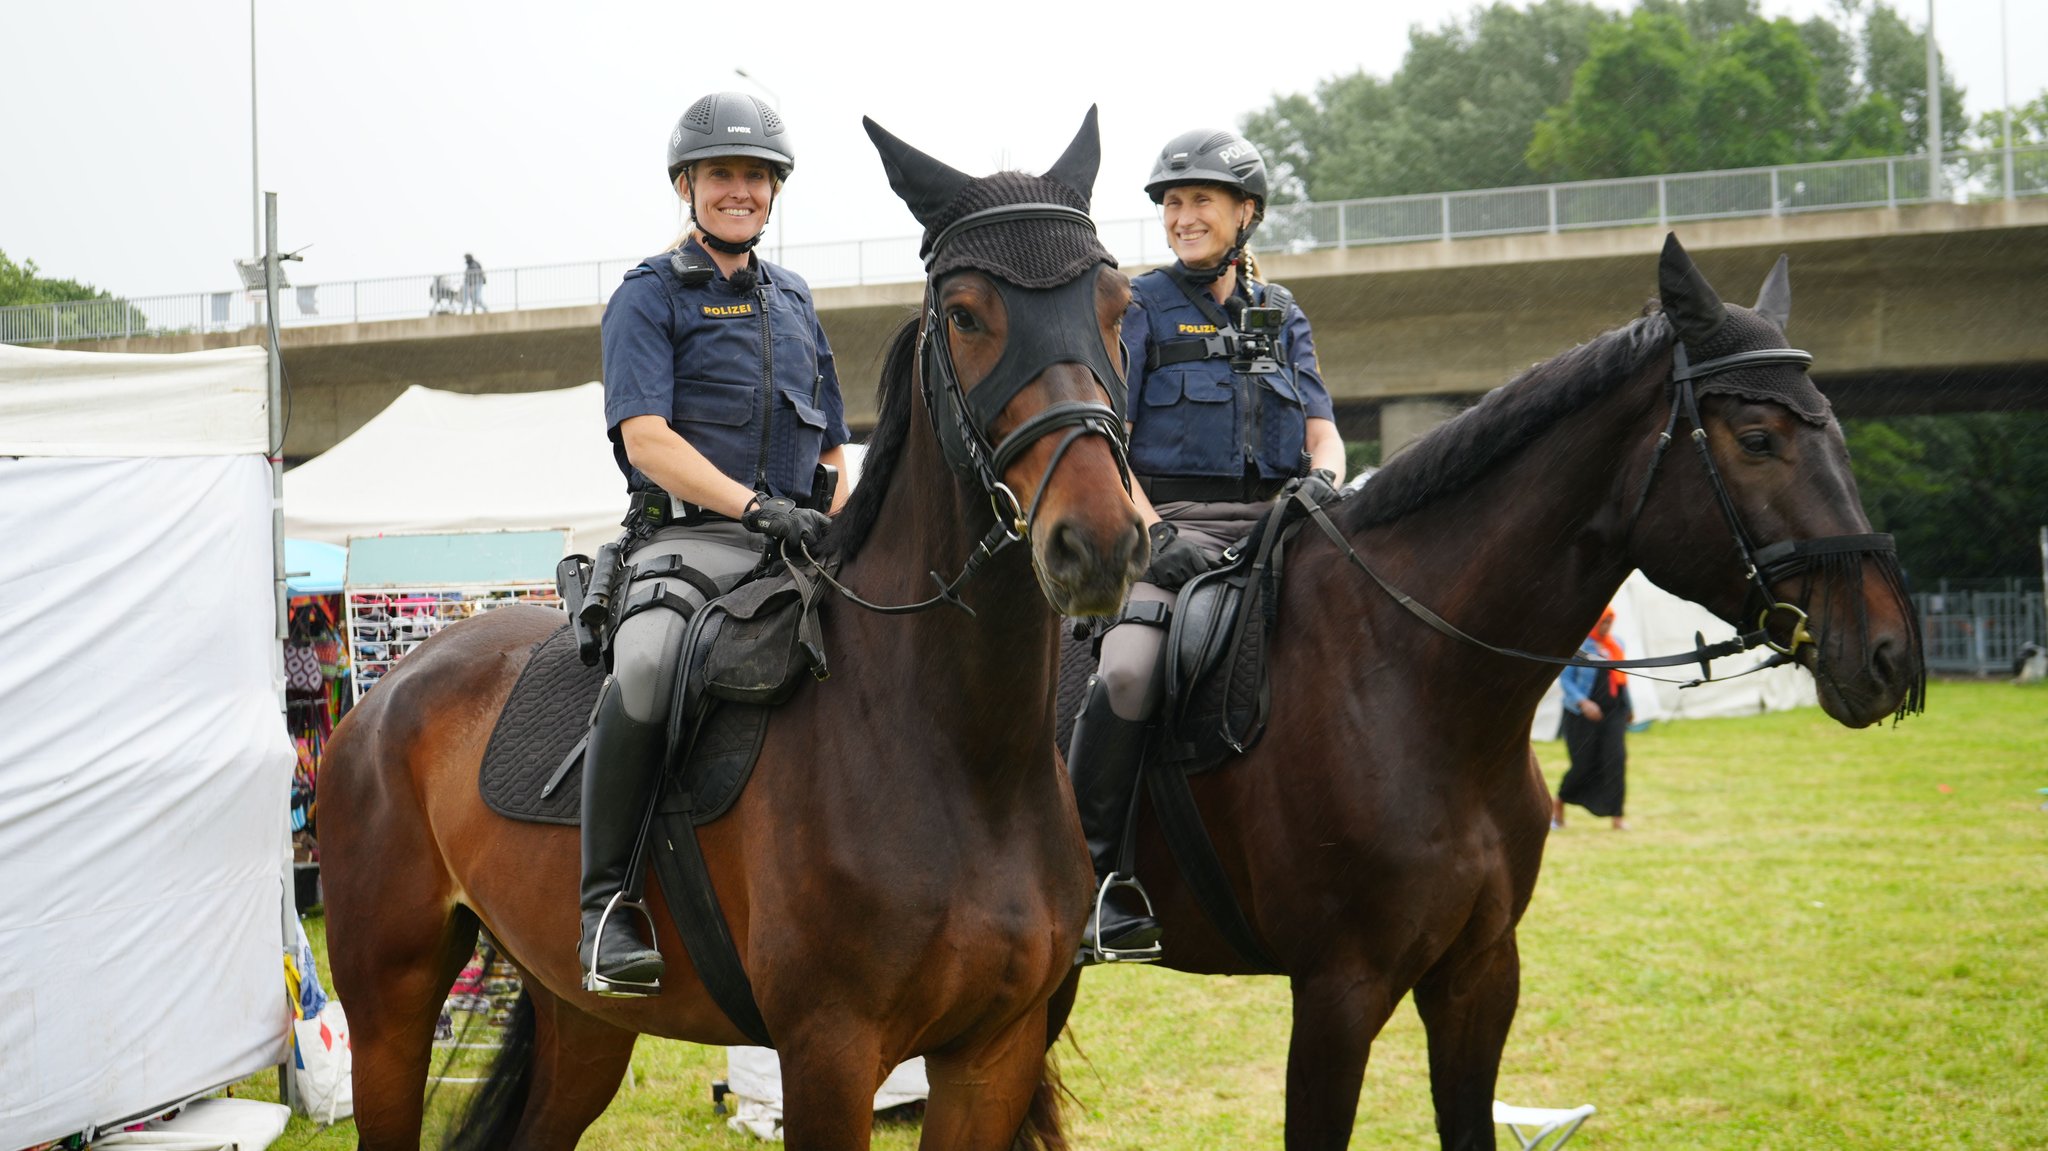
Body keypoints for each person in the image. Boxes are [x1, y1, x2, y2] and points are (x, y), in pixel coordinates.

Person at [582, 91, 851, 996]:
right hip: (691, 545)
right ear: (688, 185)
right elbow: (645, 438)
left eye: (755, 177)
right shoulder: (647, 296)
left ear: (774, 192)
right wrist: (751, 508)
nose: (739, 191)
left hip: (799, 547)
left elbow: (830, 448)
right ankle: (606, 902)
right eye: (721, 175)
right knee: (651, 664)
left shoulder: (796, 300)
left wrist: (841, 523)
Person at [1067, 129, 1345, 961]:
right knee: (1126, 668)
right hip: (1169, 526)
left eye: (1202, 203)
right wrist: (1155, 533)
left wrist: (1324, 484)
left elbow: (1324, 432)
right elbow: (1105, 443)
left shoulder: (1280, 310)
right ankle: (1094, 879)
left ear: (1246, 213)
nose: (1184, 218)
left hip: (1279, 524)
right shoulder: (1137, 305)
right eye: (1173, 204)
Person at [1554, 606, 1633, 831]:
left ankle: (1617, 815)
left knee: (1615, 760)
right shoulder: (1578, 645)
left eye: (1610, 622)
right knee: (1583, 764)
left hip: (1614, 712)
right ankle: (1559, 804)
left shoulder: (1616, 643)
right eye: (1603, 622)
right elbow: (1566, 680)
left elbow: (1621, 677)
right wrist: (1583, 702)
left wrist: (1628, 705)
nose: (1606, 627)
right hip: (1581, 715)